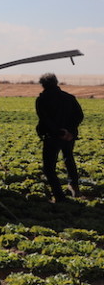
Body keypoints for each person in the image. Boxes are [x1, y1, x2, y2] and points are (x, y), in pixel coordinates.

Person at [35, 73, 84, 202]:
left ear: (43, 85)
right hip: (69, 136)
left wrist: (58, 132)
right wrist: (69, 131)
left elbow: (45, 120)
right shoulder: (69, 98)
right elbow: (79, 116)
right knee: (68, 158)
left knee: (49, 168)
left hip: (52, 137)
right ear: (56, 83)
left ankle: (59, 196)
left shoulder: (42, 100)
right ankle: (74, 186)